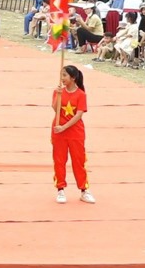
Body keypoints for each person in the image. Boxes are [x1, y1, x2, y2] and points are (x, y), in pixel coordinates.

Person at [52, 65, 95, 205]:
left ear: (73, 78)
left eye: (64, 76)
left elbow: (79, 115)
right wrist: (58, 96)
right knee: (59, 160)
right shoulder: (58, 92)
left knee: (79, 161)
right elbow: (55, 108)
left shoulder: (81, 95)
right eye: (61, 75)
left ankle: (84, 190)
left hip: (75, 132)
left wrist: (64, 127)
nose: (62, 79)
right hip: (58, 132)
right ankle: (60, 189)